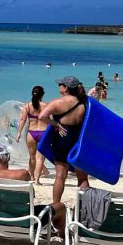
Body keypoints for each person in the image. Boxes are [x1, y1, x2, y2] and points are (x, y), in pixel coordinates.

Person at [36, 76, 90, 206]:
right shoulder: (84, 103)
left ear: (65, 88)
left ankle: (56, 206)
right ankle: (85, 207)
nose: (59, 86)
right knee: (82, 177)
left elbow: (42, 116)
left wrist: (55, 124)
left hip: (62, 140)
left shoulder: (57, 103)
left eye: (60, 84)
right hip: (78, 141)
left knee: (60, 176)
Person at [15, 85, 51, 184]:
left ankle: (31, 177)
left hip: (31, 133)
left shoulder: (27, 106)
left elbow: (22, 120)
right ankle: (37, 180)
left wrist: (19, 133)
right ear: (42, 94)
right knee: (40, 158)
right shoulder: (46, 105)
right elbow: (51, 120)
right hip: (43, 133)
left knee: (32, 157)